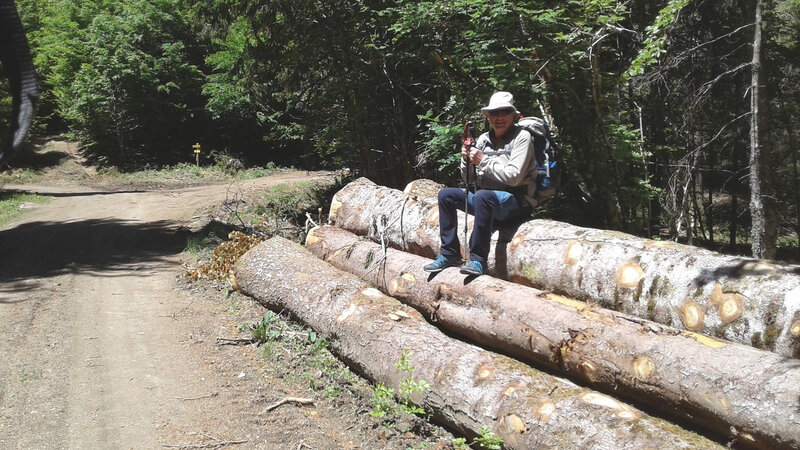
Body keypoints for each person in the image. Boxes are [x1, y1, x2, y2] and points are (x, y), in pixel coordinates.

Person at [423, 91, 537, 276]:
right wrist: (466, 159)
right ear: (489, 116)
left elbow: (514, 177)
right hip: (487, 200)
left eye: (505, 112)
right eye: (495, 113)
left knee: (483, 196)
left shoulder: (522, 137)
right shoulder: (484, 139)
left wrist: (483, 160)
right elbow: (469, 181)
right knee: (446, 195)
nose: (499, 117)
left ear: (513, 116)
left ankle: (478, 260)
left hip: (516, 202)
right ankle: (449, 252)